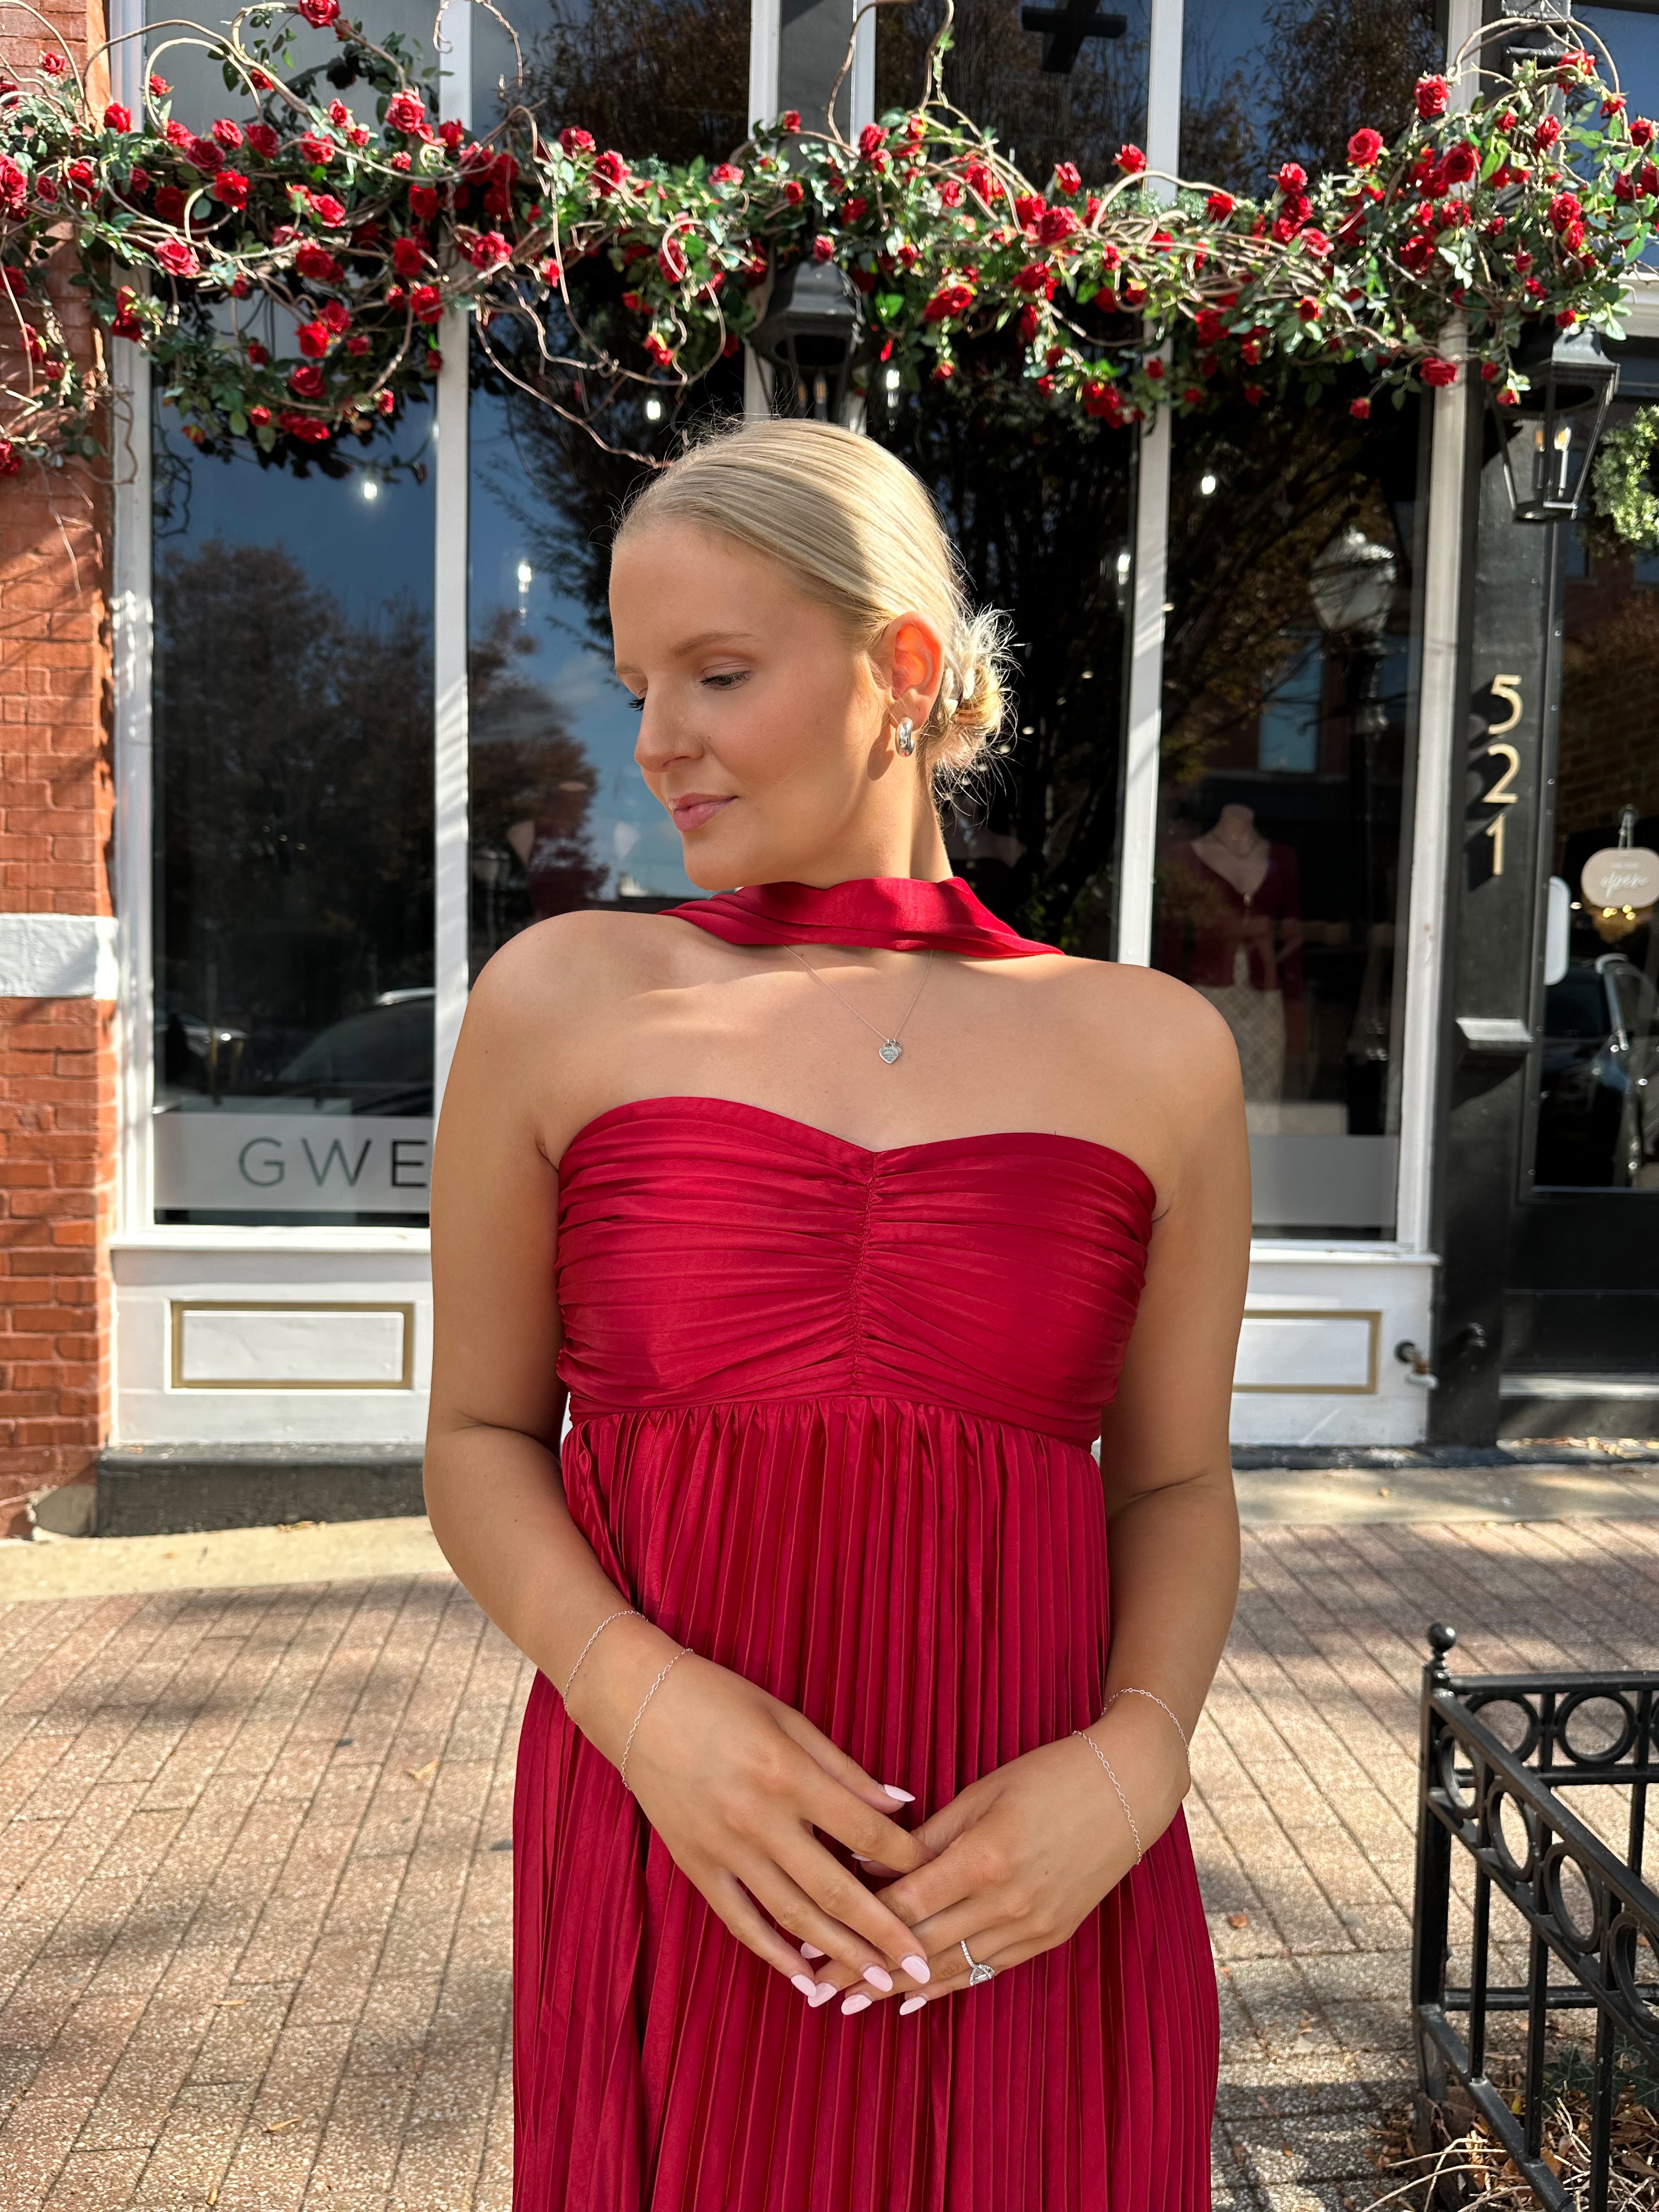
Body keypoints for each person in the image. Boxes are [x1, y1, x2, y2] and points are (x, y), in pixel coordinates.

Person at [424, 418, 1250, 2211]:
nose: (656, 743)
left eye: (717, 673)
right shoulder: (562, 999)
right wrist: (643, 1710)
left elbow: (1177, 1487)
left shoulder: (1155, 1049)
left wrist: (1133, 1770)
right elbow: (480, 1441)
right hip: (684, 1852)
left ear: (903, 671)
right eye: (641, 680)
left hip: (1032, 1890)